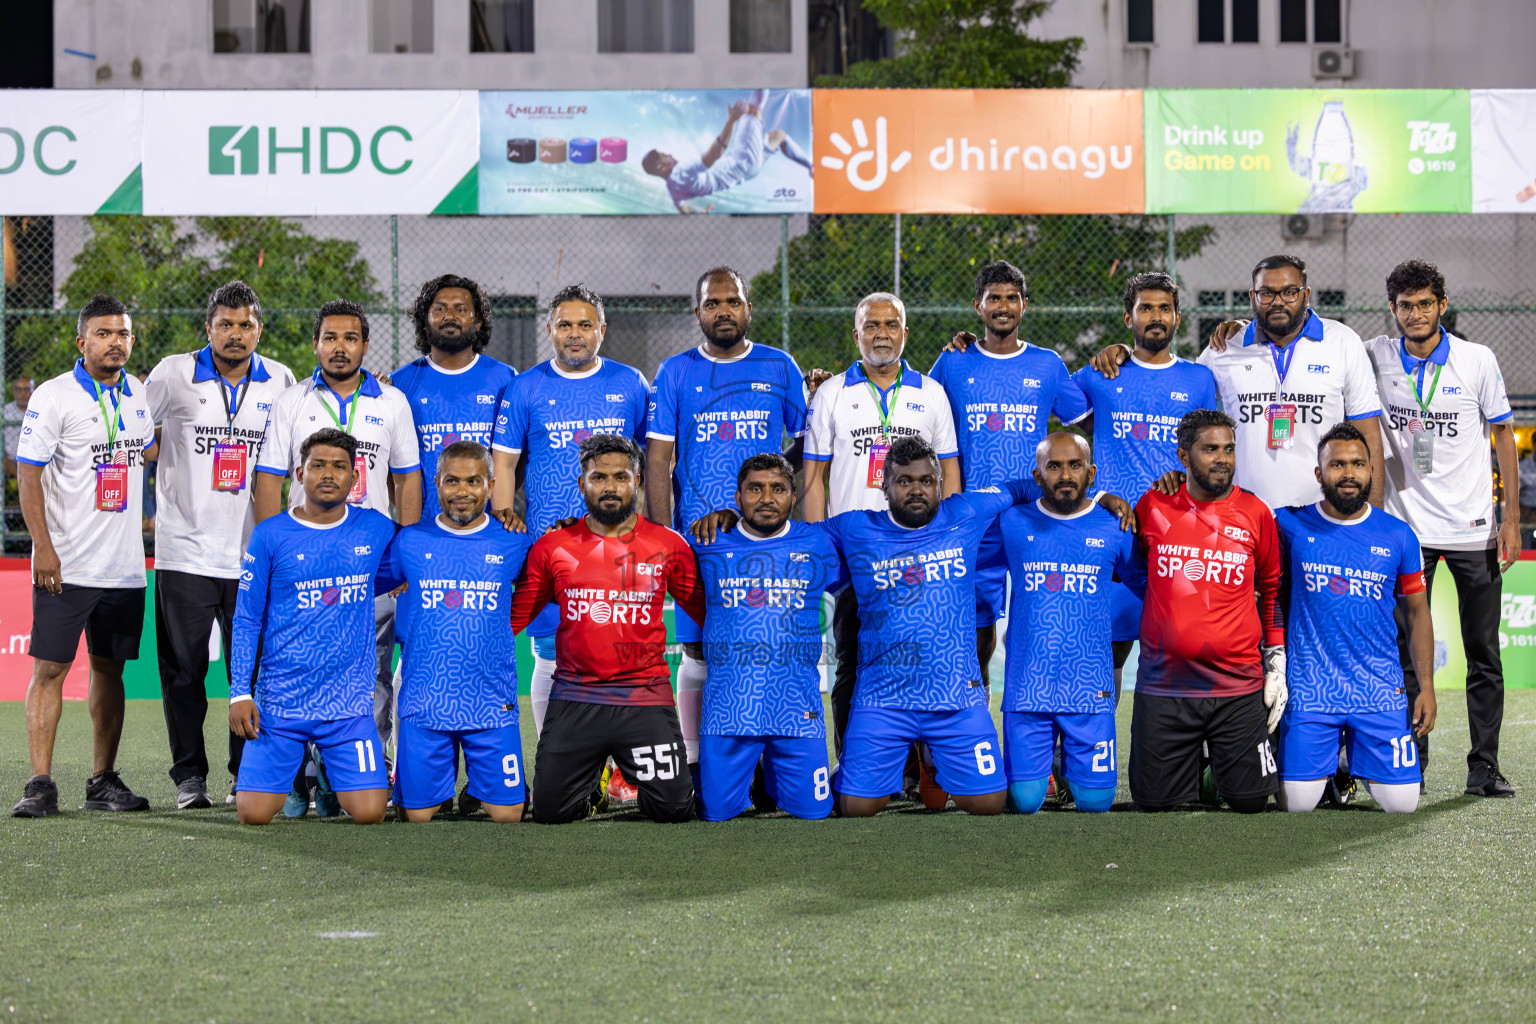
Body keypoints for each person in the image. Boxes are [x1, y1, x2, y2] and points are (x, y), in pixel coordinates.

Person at [823, 436, 1047, 818]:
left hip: (955, 698)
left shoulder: (965, 512)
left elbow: (1023, 488)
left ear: (940, 483)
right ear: (885, 485)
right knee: (855, 809)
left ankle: (931, 755)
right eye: (904, 480)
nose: (916, 489)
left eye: (926, 480)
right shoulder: (854, 528)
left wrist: (1099, 500)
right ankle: (863, 767)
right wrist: (731, 520)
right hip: (884, 700)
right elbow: (790, 538)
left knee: (989, 805)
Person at [254, 299, 422, 809]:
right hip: (301, 564)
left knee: (370, 672)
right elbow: (269, 479)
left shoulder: (391, 402)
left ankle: (353, 771)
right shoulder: (291, 402)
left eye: (350, 338)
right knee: (295, 664)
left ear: (365, 345)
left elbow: (407, 477)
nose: (340, 347)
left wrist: (406, 554)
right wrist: (271, 553)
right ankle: (298, 777)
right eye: (330, 337)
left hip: (368, 564)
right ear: (315, 344)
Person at [1363, 259, 1519, 797]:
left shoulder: (1478, 359)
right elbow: (1317, 346)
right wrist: (1236, 332)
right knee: (1405, 652)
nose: (1415, 314)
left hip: (1473, 527)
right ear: (1393, 310)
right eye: (1405, 306)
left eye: (1425, 303)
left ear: (1441, 306)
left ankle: (1484, 768)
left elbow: (1503, 435)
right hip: (1406, 531)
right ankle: (1414, 765)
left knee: (1484, 653)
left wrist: (1510, 518)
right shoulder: (1375, 356)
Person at [646, 266, 808, 778]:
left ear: (748, 309)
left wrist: (774, 501)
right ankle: (695, 764)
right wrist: (663, 535)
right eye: (712, 304)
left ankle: (765, 767)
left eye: (731, 301)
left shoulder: (780, 366)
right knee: (697, 650)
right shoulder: (675, 372)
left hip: (767, 542)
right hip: (698, 539)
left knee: (765, 645)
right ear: (697, 313)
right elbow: (657, 461)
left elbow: (806, 443)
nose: (723, 311)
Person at [143, 281, 298, 810]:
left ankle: (243, 773)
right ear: (208, 327)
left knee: (250, 673)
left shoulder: (280, 379)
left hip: (253, 554)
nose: (235, 334)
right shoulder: (171, 373)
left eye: (246, 324)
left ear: (260, 328)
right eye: (225, 324)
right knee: (183, 673)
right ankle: (190, 778)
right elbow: (131, 433)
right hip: (184, 551)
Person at [10, 295, 160, 818]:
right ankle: (40, 783)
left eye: (123, 334)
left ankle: (102, 780)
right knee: (50, 668)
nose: (115, 342)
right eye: (103, 333)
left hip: (122, 567)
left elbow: (144, 450)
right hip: (65, 564)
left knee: (109, 671)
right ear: (82, 341)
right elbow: (28, 472)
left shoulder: (139, 393)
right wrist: (44, 549)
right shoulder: (53, 397)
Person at [508, 434, 705, 824]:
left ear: (638, 481)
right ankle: (591, 780)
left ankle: (634, 778)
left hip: (644, 698)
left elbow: (706, 611)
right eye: (598, 478)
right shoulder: (553, 547)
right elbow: (513, 619)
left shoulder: (669, 545)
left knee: (675, 810)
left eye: (620, 477)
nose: (610, 487)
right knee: (551, 814)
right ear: (582, 484)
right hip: (576, 698)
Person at [1091, 255, 1385, 511]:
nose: (1278, 301)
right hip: (1241, 513)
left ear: (1306, 294)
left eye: (1289, 292)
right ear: (1252, 297)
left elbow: (1369, 435)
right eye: (1266, 293)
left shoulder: (1342, 342)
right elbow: (1176, 384)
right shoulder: (1225, 347)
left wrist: (1372, 517)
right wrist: (1130, 356)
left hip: (1321, 513)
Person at [803, 292, 960, 765]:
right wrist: (820, 547)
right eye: (871, 326)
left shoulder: (930, 393)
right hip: (857, 556)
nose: (881, 334)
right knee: (852, 663)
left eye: (891, 325)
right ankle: (853, 765)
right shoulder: (832, 394)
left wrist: (943, 540)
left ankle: (919, 772)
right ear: (856, 335)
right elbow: (813, 477)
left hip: (918, 553)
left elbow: (949, 472)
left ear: (905, 334)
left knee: (920, 661)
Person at [490, 285, 649, 745]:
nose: (574, 334)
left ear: (602, 329)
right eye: (565, 325)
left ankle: (620, 771)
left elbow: (655, 458)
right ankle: (554, 756)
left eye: (584, 325)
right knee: (549, 654)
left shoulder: (630, 383)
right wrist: (506, 520)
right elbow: (503, 463)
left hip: (619, 547)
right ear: (549, 330)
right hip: (550, 548)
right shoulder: (526, 387)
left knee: (620, 654)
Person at [930, 260, 1091, 698]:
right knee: (973, 627)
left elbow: (1087, 422)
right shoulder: (953, 361)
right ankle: (973, 709)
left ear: (1025, 305)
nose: (1003, 307)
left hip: (1033, 516)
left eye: (1011, 298)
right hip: (973, 518)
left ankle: (1043, 720)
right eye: (994, 298)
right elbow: (923, 414)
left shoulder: (1047, 364)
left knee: (1039, 623)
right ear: (977, 307)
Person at [228, 428, 397, 826]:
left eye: (339, 467)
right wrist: (239, 692)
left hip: (348, 709)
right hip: (281, 704)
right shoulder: (269, 535)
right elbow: (247, 618)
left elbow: (417, 556)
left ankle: (326, 768)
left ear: (355, 478)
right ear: (298, 473)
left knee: (371, 813)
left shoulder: (376, 529)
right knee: (253, 815)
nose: (328, 474)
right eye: (317, 465)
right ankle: (295, 771)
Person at [1130, 409, 1286, 813]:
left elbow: (1270, 590)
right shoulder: (1153, 504)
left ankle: (1217, 769)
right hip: (1165, 686)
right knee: (1154, 805)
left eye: (1229, 450)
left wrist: (1276, 659)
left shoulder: (1256, 513)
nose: (1222, 459)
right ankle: (1199, 767)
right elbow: (1134, 572)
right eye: (1210, 449)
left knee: (1251, 801)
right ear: (1183, 457)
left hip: (1237, 686)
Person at [1274, 423, 1435, 813]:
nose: (1348, 473)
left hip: (1378, 690)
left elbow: (1417, 613)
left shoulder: (1398, 535)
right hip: (1312, 689)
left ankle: (1346, 763)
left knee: (1402, 805)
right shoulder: (1286, 524)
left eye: (1358, 464)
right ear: (1319, 473)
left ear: (1370, 471)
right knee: (1297, 805)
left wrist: (1426, 685)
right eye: (1337, 464)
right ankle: (1329, 763)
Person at [1073, 273, 1220, 689]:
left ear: (1177, 316)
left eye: (1164, 308)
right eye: (1145, 308)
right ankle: (1092, 745)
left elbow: (1209, 450)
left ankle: (1183, 751)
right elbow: (1063, 412)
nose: (1155, 317)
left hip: (1178, 534)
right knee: (1107, 651)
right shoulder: (1099, 373)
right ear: (1128, 317)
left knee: (1184, 649)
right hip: (1115, 531)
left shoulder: (1198, 379)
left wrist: (1187, 474)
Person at [375, 440, 532, 823]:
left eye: (474, 481)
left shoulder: (515, 541)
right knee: (417, 818)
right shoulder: (409, 541)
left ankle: (476, 788)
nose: (462, 492)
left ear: (491, 486)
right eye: (452, 481)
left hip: (490, 704)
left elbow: (539, 590)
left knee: (509, 816)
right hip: (427, 703)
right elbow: (359, 582)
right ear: (437, 483)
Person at [684, 453, 845, 821]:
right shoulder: (706, 539)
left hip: (796, 711)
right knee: (715, 814)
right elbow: (644, 542)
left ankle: (769, 777)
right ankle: (753, 773)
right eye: (755, 489)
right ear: (737, 498)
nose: (767, 498)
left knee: (815, 813)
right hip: (729, 714)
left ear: (793, 496)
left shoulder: (820, 542)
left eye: (778, 489)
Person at [999, 432, 1141, 815]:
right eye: (1054, 466)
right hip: (1028, 689)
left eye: (1075, 465)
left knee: (1095, 803)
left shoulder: (1114, 526)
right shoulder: (1011, 522)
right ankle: (1045, 772)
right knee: (1025, 802)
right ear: (1037, 474)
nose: (1065, 475)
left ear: (1091, 473)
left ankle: (1069, 771)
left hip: (1089, 690)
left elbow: (1149, 584)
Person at [389, 275, 517, 521]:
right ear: (425, 320)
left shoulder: (506, 379)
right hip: (425, 526)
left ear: (477, 321)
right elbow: (390, 467)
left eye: (461, 309)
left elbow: (514, 460)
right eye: (439, 309)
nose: (450, 316)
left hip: (487, 526)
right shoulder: (399, 383)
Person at [641, 91, 813, 214]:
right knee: (753, 110)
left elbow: (683, 209)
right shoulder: (681, 172)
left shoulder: (673, 189)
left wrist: (702, 212)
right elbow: (715, 154)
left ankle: (811, 166)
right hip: (742, 161)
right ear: (660, 167)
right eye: (666, 156)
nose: (670, 155)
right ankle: (763, 73)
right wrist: (731, 121)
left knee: (778, 136)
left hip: (748, 172)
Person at [3, 374, 34, 479]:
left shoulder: (40, 410)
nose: (23, 393)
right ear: (14, 391)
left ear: (33, 390)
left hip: (34, 458)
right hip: (9, 459)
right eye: (19, 390)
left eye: (26, 389)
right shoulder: (5, 412)